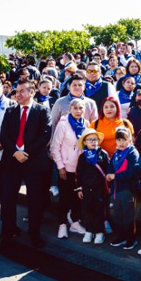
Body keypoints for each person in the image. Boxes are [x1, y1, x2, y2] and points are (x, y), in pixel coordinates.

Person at [0, 79, 53, 249]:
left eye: (22, 91)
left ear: (32, 92)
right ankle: (7, 233)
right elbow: (4, 135)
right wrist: (15, 152)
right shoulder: (10, 111)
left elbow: (45, 135)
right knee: (7, 200)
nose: (18, 94)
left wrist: (25, 153)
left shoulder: (42, 111)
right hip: (11, 162)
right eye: (17, 91)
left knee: (35, 201)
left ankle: (34, 234)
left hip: (34, 163)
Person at [51, 98, 88, 238]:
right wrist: (60, 167)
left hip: (81, 170)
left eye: (81, 108)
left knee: (77, 198)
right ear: (70, 109)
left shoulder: (86, 124)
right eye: (75, 108)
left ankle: (75, 222)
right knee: (65, 198)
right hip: (66, 169)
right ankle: (62, 224)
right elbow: (55, 147)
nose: (78, 111)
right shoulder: (63, 124)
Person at [106, 126, 141, 249]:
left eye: (124, 140)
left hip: (128, 190)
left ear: (130, 140)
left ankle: (131, 239)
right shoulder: (116, 153)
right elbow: (110, 167)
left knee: (128, 216)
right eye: (119, 140)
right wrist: (109, 175)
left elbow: (133, 172)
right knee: (117, 215)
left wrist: (115, 176)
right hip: (116, 190)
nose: (121, 143)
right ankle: (121, 236)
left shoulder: (133, 153)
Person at [75, 128, 110, 245]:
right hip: (86, 188)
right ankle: (89, 230)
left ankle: (100, 232)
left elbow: (108, 169)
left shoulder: (103, 154)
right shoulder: (82, 157)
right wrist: (79, 187)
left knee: (99, 210)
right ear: (84, 142)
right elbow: (79, 173)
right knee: (87, 210)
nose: (93, 142)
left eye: (95, 139)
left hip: (99, 188)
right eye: (90, 139)